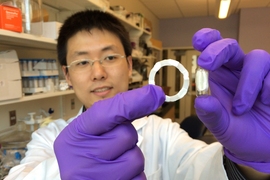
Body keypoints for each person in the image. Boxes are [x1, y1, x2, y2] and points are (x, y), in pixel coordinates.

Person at [5, 9, 270, 180]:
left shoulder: (162, 132)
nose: (98, 72)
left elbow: (204, 170)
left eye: (110, 57)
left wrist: (252, 164)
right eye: (82, 62)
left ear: (130, 65)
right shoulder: (47, 138)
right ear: (67, 75)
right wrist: (60, 173)